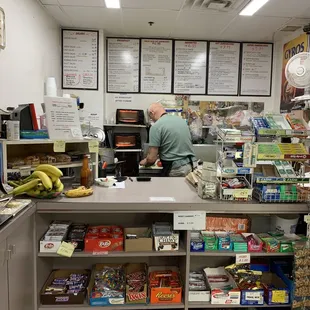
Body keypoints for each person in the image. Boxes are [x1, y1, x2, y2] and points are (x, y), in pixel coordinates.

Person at [140, 103, 196, 177]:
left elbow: (151, 159)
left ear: (152, 113)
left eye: (150, 117)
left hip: (176, 169)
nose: (152, 120)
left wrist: (145, 162)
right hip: (191, 165)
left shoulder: (156, 126)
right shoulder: (181, 121)